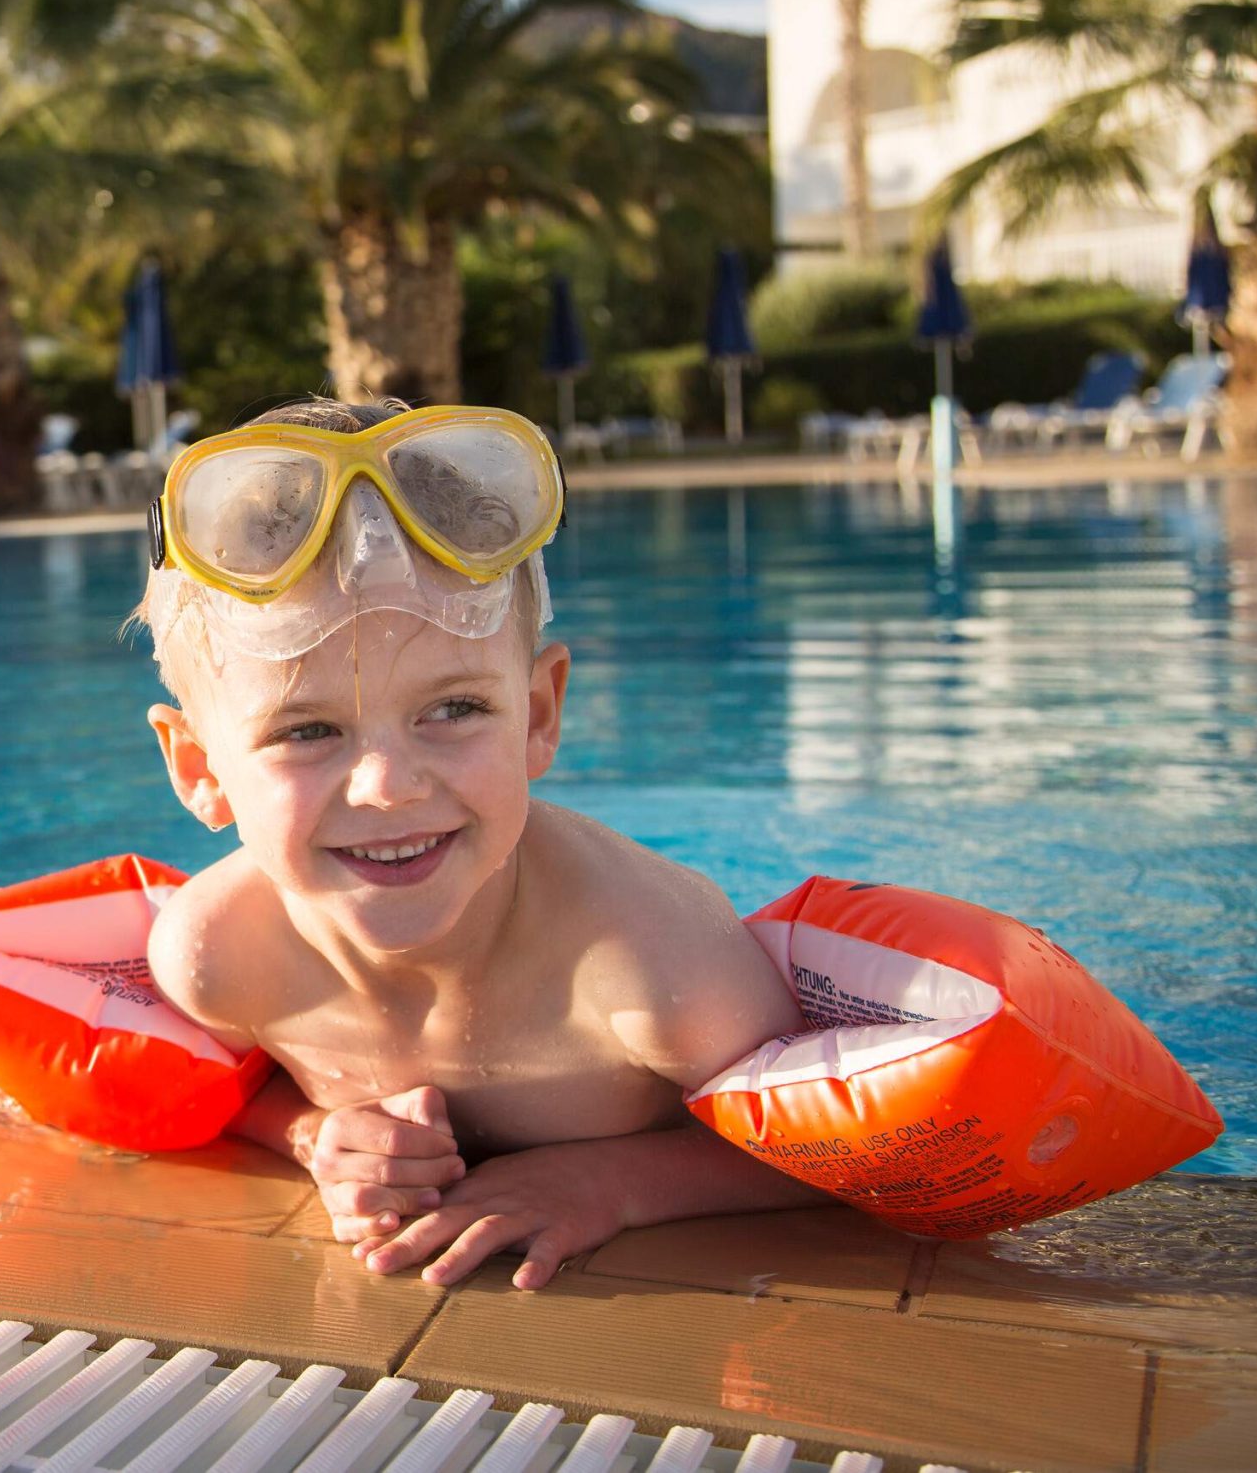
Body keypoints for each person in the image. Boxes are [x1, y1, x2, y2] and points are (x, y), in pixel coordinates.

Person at [137, 397, 818, 1291]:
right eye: (307, 730)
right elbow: (231, 1091)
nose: (389, 783)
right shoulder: (219, 956)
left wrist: (612, 1180)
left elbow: (849, 1148)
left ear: (538, 714)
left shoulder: (654, 968)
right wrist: (311, 1135)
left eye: (454, 709)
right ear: (200, 769)